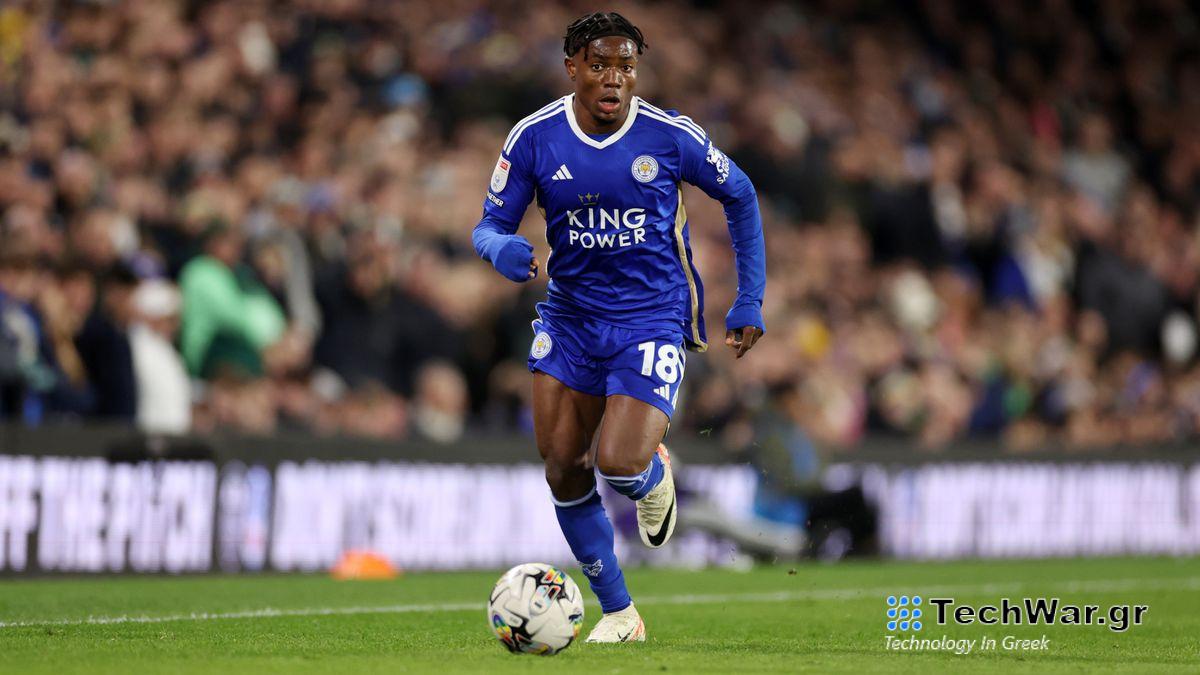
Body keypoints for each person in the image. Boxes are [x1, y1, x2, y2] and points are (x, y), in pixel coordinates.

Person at [471, 12, 766, 643]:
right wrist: (499, 249)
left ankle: (650, 474)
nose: (613, 79)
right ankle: (621, 614)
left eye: (625, 67)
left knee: (620, 464)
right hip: (570, 319)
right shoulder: (534, 137)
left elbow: (740, 193)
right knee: (563, 467)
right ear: (572, 67)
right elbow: (488, 225)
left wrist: (748, 299)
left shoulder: (669, 135)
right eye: (600, 65)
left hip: (651, 317)